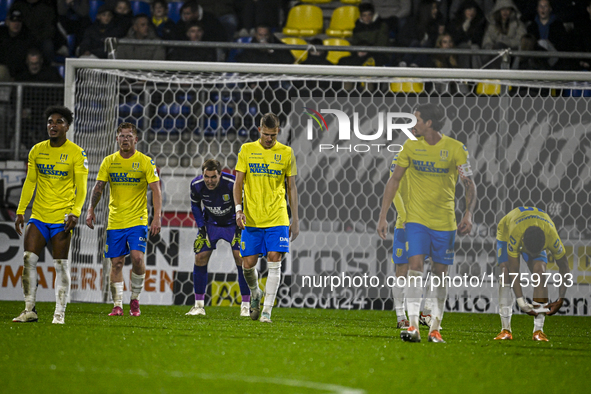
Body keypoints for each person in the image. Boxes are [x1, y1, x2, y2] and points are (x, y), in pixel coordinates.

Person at [377, 103, 477, 343]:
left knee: (440, 275)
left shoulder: (455, 149)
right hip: (416, 221)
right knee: (414, 269)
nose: (414, 124)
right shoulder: (410, 147)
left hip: (445, 222)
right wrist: (383, 216)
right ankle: (412, 326)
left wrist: (468, 214)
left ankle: (435, 327)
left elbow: (469, 184)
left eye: (417, 119)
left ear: (429, 123)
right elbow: (394, 181)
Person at [12, 106, 89, 325]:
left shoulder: (77, 153)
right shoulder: (37, 150)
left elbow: (82, 187)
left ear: (67, 126)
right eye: (50, 121)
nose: (52, 125)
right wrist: (20, 210)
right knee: (29, 259)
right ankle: (29, 310)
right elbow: (30, 182)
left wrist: (75, 212)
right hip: (39, 215)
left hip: (62, 218)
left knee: (60, 265)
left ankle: (59, 313)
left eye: (58, 121)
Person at [86, 122, 162, 317]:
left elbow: (156, 190)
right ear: (117, 139)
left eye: (129, 136)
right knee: (117, 263)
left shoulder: (145, 162)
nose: (125, 139)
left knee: (137, 258)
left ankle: (135, 299)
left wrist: (157, 217)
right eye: (122, 136)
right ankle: (117, 304)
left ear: (136, 140)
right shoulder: (109, 161)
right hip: (115, 220)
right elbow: (98, 187)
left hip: (137, 219)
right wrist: (90, 209)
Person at [233, 113, 299, 323]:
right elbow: (238, 183)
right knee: (248, 263)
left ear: (278, 131)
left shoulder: (287, 153)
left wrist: (294, 217)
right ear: (259, 130)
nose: (269, 139)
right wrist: (238, 210)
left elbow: (292, 187)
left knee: (274, 258)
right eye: (266, 134)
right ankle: (255, 292)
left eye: (273, 135)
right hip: (252, 217)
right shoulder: (247, 150)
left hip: (277, 216)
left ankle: (267, 312)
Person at [494, 206, 571, 342]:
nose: (531, 256)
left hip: (536, 228)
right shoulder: (515, 235)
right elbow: (514, 269)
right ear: (523, 242)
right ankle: (505, 330)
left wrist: (561, 298)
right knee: (505, 272)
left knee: (540, 271)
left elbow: (564, 266)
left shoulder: (551, 235)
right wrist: (521, 301)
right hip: (506, 230)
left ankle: (538, 331)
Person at [186, 159, 250, 316]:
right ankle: (199, 306)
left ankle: (246, 306)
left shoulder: (232, 183)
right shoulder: (196, 185)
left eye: (213, 177)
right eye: (206, 176)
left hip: (232, 225)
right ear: (203, 174)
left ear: (220, 174)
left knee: (241, 259)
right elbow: (195, 205)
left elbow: (245, 203)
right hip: (210, 225)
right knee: (200, 257)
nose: (209, 181)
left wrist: (240, 225)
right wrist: (202, 228)